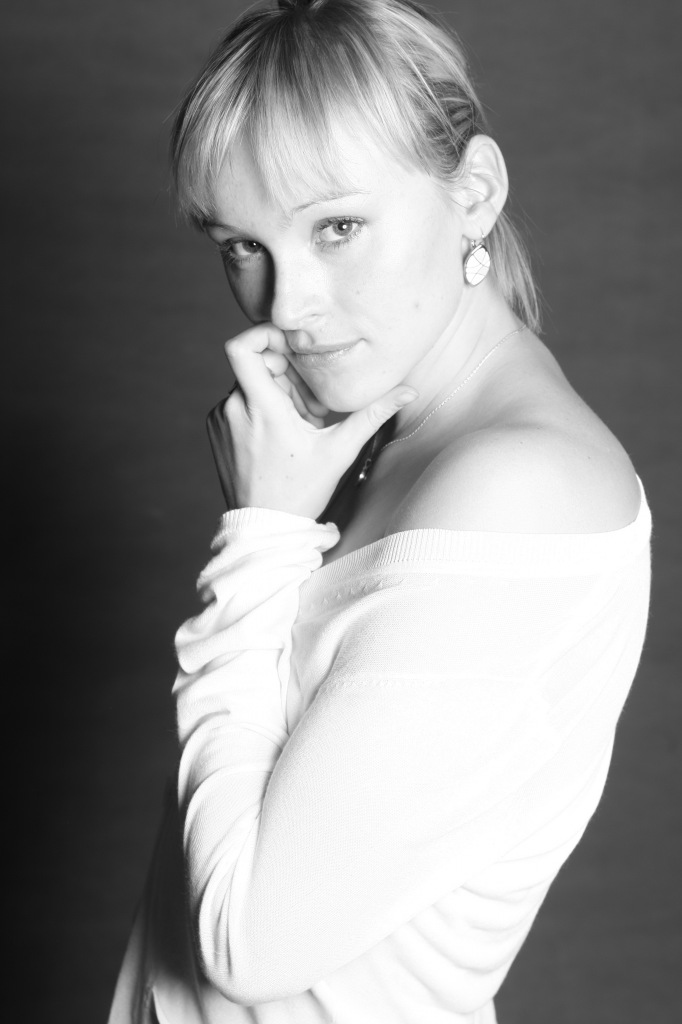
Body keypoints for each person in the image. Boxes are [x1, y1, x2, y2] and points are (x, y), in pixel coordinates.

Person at [108, 1, 651, 1021]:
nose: (284, 307)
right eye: (242, 245)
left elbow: (248, 943)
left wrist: (263, 537)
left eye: (338, 227)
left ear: (473, 191)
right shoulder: (379, 445)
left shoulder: (520, 495)